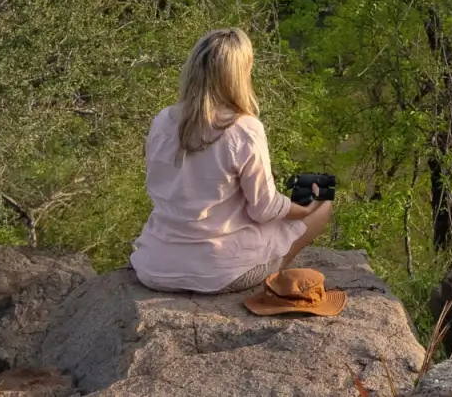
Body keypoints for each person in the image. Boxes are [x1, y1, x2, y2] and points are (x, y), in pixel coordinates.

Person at [129, 28, 334, 293]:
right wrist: (302, 210)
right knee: (323, 206)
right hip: (219, 273)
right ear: (239, 75)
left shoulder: (162, 121)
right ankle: (274, 271)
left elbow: (161, 186)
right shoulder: (244, 128)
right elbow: (263, 210)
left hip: (154, 267)